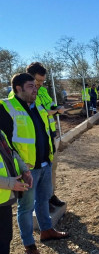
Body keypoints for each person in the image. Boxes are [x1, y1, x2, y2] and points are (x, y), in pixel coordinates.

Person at [0, 73, 69, 254]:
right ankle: (29, 246)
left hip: (44, 162)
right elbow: (5, 143)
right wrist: (19, 168)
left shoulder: (37, 105)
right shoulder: (6, 107)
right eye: (31, 86)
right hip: (26, 168)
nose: (35, 89)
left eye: (35, 86)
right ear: (18, 89)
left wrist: (49, 156)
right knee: (25, 207)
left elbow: (44, 131)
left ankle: (46, 230)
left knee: (44, 199)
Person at [25, 62, 66, 211]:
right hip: (36, 138)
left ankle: (50, 195)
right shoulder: (24, 93)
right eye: (37, 81)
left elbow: (49, 105)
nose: (40, 84)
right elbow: (39, 111)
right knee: (39, 172)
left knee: (52, 167)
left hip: (49, 135)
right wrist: (54, 111)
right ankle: (41, 201)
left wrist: (57, 108)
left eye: (42, 81)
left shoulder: (42, 91)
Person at [0, 129, 33, 254]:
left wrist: (24, 169)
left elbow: (10, 153)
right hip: (5, 189)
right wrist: (10, 183)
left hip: (2, 198)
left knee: (5, 237)